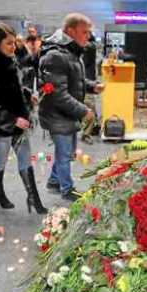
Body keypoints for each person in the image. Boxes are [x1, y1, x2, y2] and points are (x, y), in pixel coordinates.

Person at [0, 23, 47, 214]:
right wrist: (12, 119)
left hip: (19, 119)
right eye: (8, 43)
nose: (13, 47)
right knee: (0, 160)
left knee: (25, 158)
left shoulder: (10, 59)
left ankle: (33, 198)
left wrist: (26, 93)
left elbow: (12, 87)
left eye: (14, 43)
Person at [38, 13, 104, 201]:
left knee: (64, 152)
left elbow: (75, 81)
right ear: (70, 31)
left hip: (67, 113)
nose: (88, 36)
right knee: (65, 154)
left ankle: (53, 180)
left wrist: (91, 86)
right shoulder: (55, 56)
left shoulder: (70, 52)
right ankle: (67, 189)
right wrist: (84, 111)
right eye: (84, 32)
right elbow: (58, 94)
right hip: (57, 114)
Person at [81, 33, 98, 145]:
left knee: (90, 107)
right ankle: (85, 134)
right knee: (89, 108)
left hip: (87, 83)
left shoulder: (89, 47)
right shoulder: (89, 47)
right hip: (86, 84)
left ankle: (92, 128)